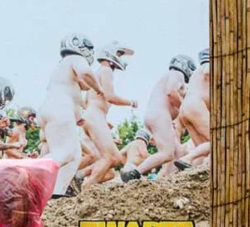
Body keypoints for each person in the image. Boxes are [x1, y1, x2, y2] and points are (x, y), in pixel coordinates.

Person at [38, 34, 104, 196]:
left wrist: (77, 115)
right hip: (60, 110)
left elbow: (75, 89)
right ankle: (29, 173)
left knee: (74, 155)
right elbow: (85, 74)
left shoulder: (61, 69)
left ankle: (56, 192)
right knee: (65, 152)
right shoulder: (75, 58)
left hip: (52, 111)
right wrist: (99, 88)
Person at [122, 54, 197, 182]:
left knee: (179, 154)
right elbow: (171, 92)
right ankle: (134, 173)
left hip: (157, 116)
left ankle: (172, 180)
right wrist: (184, 108)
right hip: (160, 116)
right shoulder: (177, 74)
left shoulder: (169, 77)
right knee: (167, 153)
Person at [82, 49, 138, 187]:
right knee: (110, 157)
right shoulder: (106, 70)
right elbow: (110, 96)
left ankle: (81, 177)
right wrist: (130, 102)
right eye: (119, 54)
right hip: (95, 116)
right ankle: (86, 185)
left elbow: (86, 102)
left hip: (92, 116)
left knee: (117, 158)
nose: (120, 58)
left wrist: (102, 120)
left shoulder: (97, 72)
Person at [177, 47, 211, 166]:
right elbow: (208, 71)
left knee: (203, 148)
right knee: (217, 140)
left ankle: (195, 169)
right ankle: (187, 158)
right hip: (196, 106)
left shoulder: (195, 75)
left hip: (185, 108)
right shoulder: (206, 67)